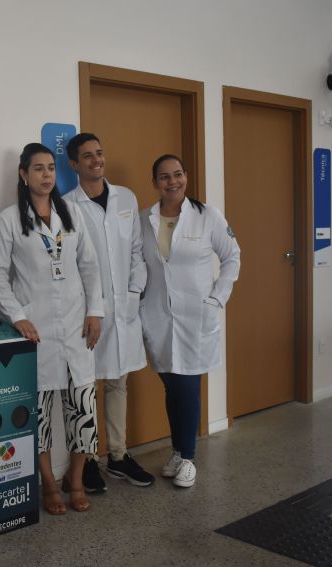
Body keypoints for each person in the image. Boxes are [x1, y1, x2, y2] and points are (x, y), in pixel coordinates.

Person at [0, 142, 103, 515]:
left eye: (51, 168)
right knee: (37, 415)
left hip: (76, 326)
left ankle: (75, 479)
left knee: (83, 410)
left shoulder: (71, 214)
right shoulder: (9, 219)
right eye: (38, 168)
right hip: (35, 329)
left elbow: (89, 266)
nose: (46, 175)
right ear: (23, 174)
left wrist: (95, 311)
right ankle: (49, 484)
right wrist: (17, 316)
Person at [140, 154, 240, 488]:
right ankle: (178, 450)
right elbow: (139, 264)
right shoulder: (144, 220)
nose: (173, 182)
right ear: (155, 182)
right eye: (165, 177)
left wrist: (217, 297)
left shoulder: (207, 216)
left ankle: (188, 458)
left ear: (186, 176)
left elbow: (232, 256)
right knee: (171, 387)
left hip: (196, 316)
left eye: (178, 174)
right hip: (158, 317)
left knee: (187, 387)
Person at [64, 133, 155, 492]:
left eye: (99, 153)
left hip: (124, 308)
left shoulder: (126, 198)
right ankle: (87, 461)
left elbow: (136, 252)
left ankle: (118, 455)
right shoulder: (66, 206)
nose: (96, 160)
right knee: (85, 386)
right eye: (87, 156)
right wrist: (92, 306)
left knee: (118, 382)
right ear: (74, 164)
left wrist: (133, 291)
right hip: (88, 312)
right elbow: (72, 264)